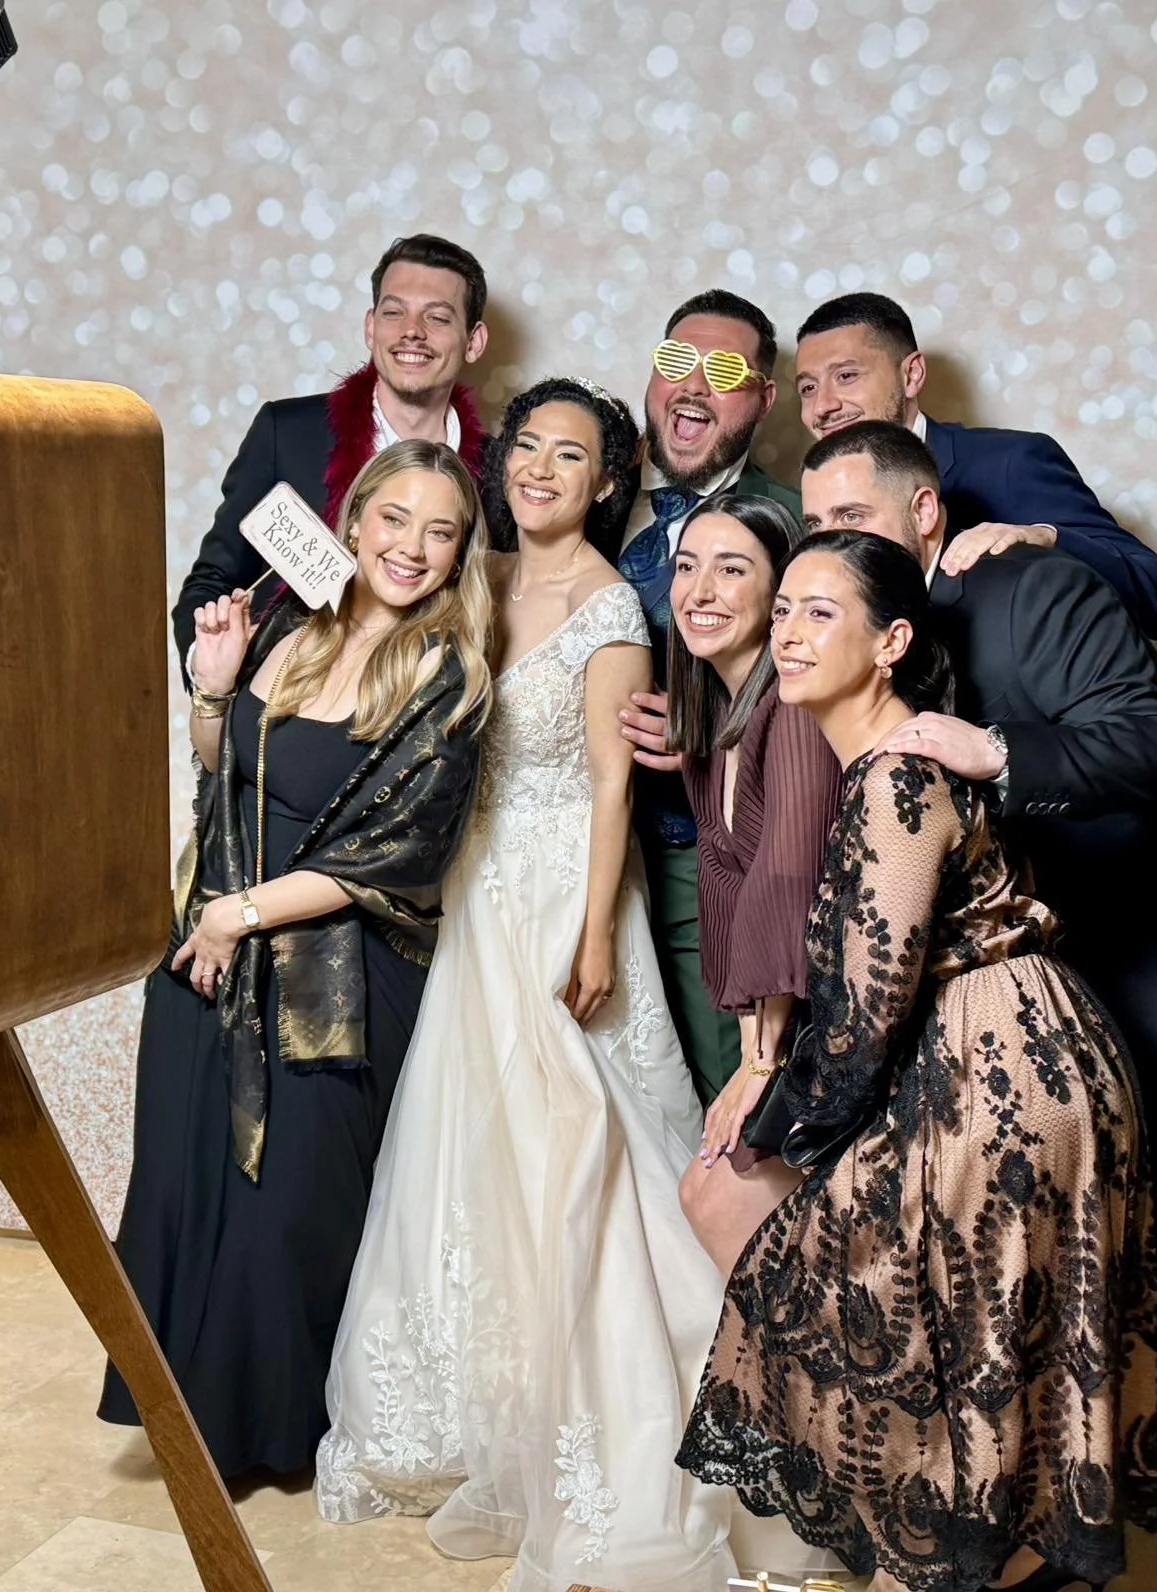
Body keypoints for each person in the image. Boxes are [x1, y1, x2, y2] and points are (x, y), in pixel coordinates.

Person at [797, 421, 1157, 1592]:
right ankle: (1079, 1506)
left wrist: (994, 749)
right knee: (1078, 1253)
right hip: (1060, 1000)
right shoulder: (872, 634)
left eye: (852, 517)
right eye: (816, 524)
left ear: (922, 513)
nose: (831, 542)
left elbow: (1152, 741)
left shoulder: (1032, 587)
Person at [678, 529, 1157, 1592]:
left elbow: (863, 1013)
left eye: (819, 611)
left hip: (1000, 1078)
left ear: (892, 639)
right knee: (951, 1325)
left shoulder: (896, 775)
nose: (789, 633)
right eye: (785, 610)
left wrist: (774, 1117)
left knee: (800, 1240)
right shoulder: (890, 760)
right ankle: (966, 1552)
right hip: (1008, 1054)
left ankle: (947, 1555)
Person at [318, 379, 735, 1592]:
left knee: (581, 1146)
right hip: (469, 886)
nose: (542, 468)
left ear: (608, 478)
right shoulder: (468, 570)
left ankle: (628, 1401)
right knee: (469, 1145)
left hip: (559, 894)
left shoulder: (612, 608)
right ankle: (459, 1409)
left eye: (572, 454)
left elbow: (611, 785)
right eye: (527, 448)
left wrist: (597, 936)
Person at [99, 441, 494, 1479]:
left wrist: (241, 914)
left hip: (335, 977)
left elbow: (396, 854)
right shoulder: (286, 623)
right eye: (393, 519)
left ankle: (272, 1430)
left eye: (439, 530)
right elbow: (223, 765)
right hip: (209, 945)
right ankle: (188, 1412)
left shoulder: (445, 677)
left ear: (460, 555)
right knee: (190, 1181)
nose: (410, 547)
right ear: (353, 520)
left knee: (287, 1205)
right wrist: (210, 685)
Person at [617, 290, 805, 1106]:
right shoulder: (581, 496)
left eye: (724, 370)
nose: (692, 385)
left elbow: (833, 690)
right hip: (577, 863)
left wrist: (715, 732)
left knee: (718, 1103)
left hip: (710, 862)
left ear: (763, 398)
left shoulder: (794, 522)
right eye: (675, 362)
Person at [659, 493, 841, 1271]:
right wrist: (745, 1054)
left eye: (731, 570)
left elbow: (788, 879)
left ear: (778, 597)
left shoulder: (792, 712)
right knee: (707, 1195)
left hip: (840, 1019)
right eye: (687, 566)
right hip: (780, 1020)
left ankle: (822, 1389)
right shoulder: (715, 723)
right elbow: (725, 893)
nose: (699, 591)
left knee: (718, 1201)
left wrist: (760, 1072)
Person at [793, 291, 1157, 643]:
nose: (823, 405)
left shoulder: (1010, 463)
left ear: (911, 374)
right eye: (808, 388)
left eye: (846, 376)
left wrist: (1047, 537)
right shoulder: (815, 507)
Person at [169, 234, 491, 670]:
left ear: (473, 341)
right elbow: (213, 581)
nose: (411, 331)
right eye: (394, 312)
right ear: (370, 327)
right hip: (275, 714)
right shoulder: (288, 434)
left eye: (436, 318)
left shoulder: (498, 473)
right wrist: (211, 673)